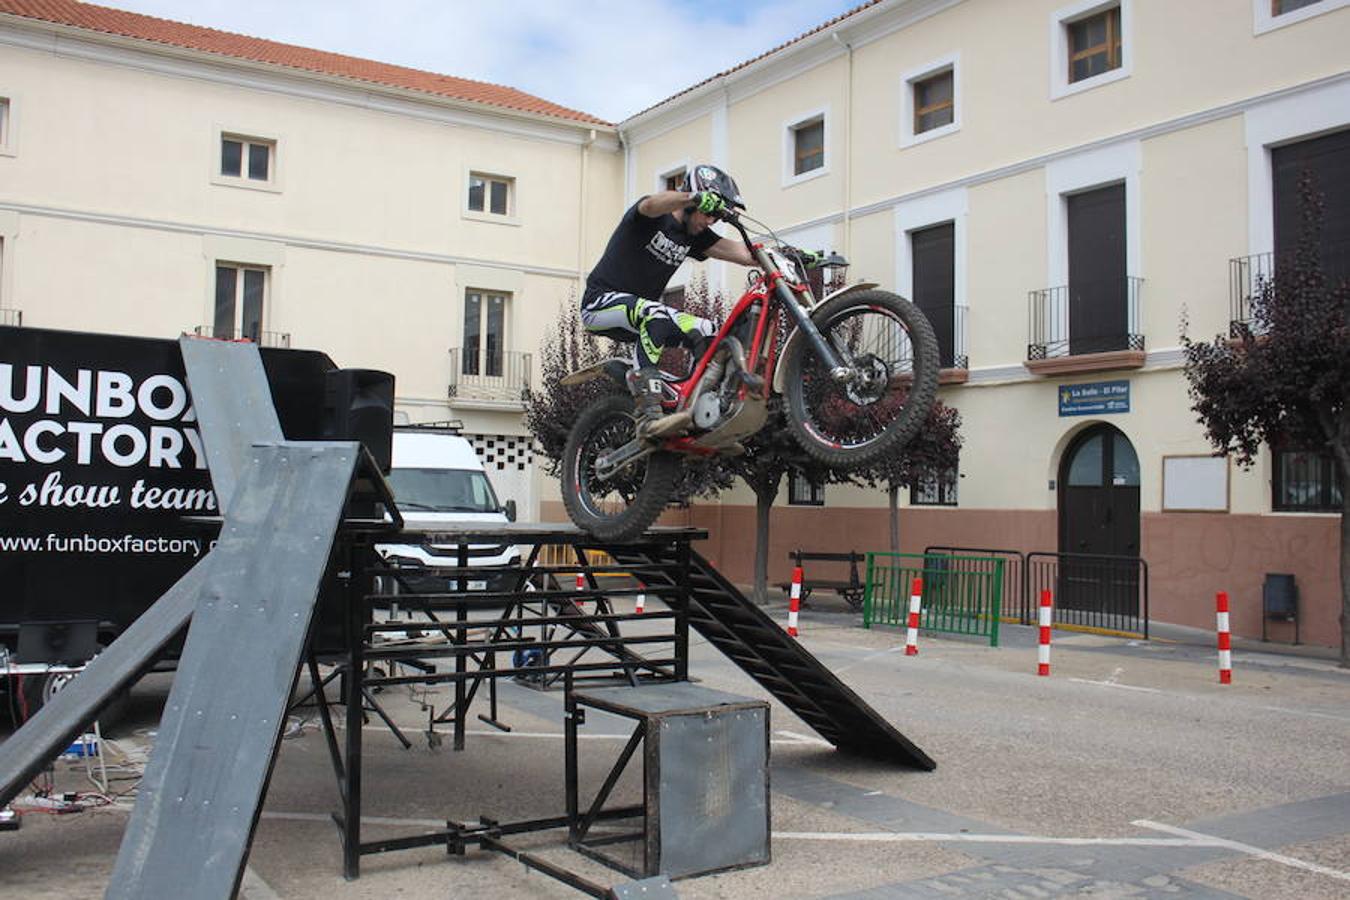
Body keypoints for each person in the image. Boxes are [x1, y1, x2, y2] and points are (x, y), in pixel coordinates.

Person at [581, 164, 757, 438]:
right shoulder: (651, 216)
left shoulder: (694, 235)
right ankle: (647, 412)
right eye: (708, 213)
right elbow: (651, 204)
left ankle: (694, 407)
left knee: (712, 332)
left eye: (715, 217)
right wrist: (692, 197)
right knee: (655, 313)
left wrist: (791, 255)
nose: (710, 221)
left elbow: (743, 253)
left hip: (645, 314)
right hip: (600, 304)